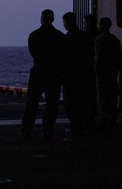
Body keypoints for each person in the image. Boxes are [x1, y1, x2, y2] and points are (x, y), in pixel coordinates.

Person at [21, 9, 66, 139]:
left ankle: (27, 128)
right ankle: (47, 129)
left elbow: (34, 53)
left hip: (38, 71)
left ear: (42, 19)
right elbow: (62, 55)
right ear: (52, 19)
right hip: (54, 73)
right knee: (52, 104)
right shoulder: (59, 36)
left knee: (32, 102)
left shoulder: (34, 35)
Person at [61, 12, 95, 135]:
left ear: (66, 22)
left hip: (70, 75)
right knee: (83, 100)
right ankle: (85, 124)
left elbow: (62, 58)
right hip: (84, 74)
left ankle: (75, 125)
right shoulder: (84, 36)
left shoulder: (66, 38)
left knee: (70, 102)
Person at [95, 16, 122, 129]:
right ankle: (112, 118)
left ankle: (103, 118)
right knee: (112, 96)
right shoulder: (115, 39)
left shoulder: (99, 40)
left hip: (102, 73)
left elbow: (98, 58)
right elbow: (119, 58)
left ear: (101, 26)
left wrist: (96, 71)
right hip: (112, 73)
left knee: (102, 97)